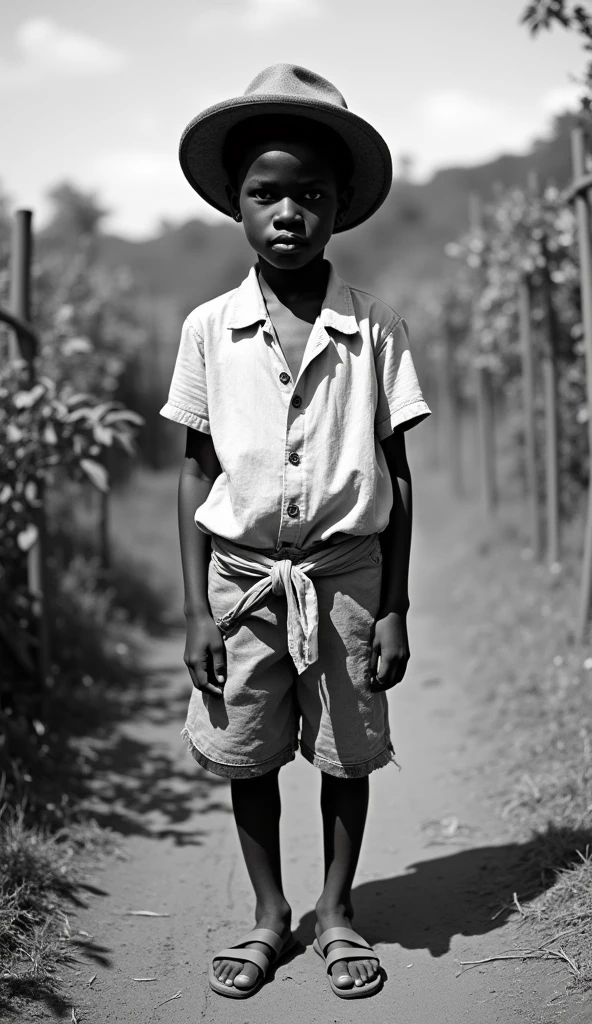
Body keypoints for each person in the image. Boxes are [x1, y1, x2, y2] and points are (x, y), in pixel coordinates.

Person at [160, 63, 431, 1001]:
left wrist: (393, 607)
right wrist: (196, 611)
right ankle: (270, 915)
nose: (287, 213)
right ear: (235, 204)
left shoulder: (376, 329)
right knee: (251, 750)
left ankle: (338, 909)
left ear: (340, 206)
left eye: (308, 195)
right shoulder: (208, 329)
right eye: (264, 193)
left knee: (344, 749)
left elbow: (398, 474)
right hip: (241, 581)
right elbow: (196, 471)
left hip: (347, 575)